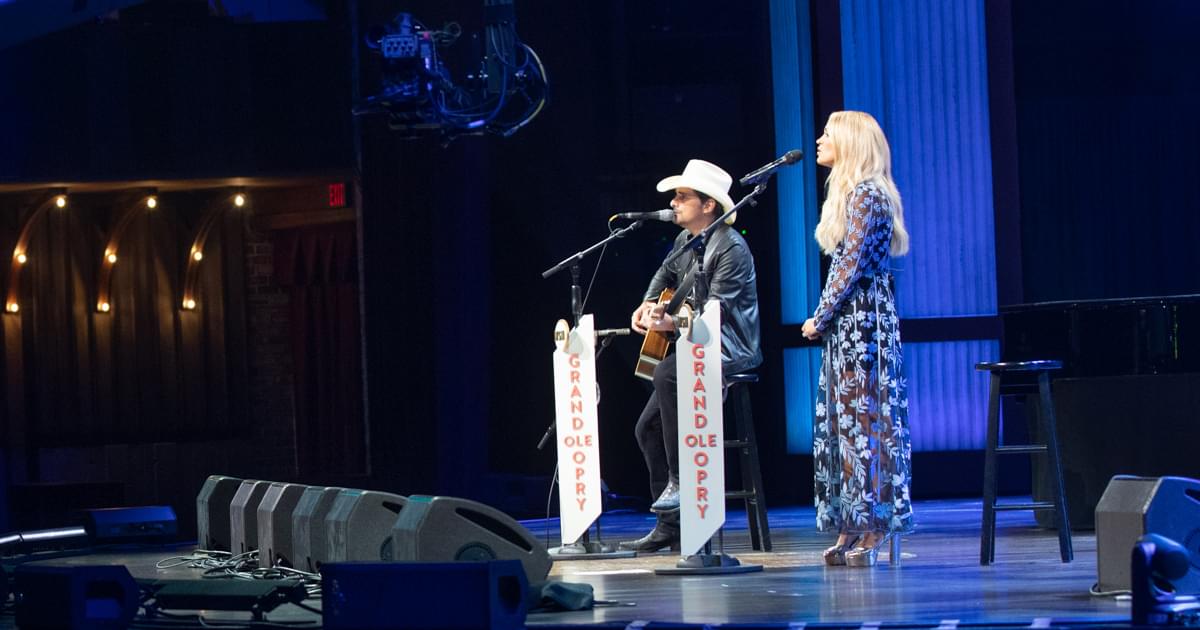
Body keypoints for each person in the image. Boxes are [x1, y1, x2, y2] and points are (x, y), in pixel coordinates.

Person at [617, 159, 763, 553]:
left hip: (729, 347)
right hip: (693, 347)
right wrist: (647, 305)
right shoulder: (684, 244)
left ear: (709, 205)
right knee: (645, 428)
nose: (674, 203)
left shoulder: (731, 248)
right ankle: (672, 525)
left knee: (667, 373)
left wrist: (672, 326)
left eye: (683, 197)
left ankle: (682, 482)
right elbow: (663, 277)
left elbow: (718, 310)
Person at [801, 111, 914, 567]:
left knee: (865, 420)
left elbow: (848, 269)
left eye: (827, 134)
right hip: (849, 322)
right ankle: (852, 518)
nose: (819, 140)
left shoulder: (868, 195)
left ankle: (874, 520)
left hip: (863, 323)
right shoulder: (853, 195)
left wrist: (820, 316)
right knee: (847, 423)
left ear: (850, 143)